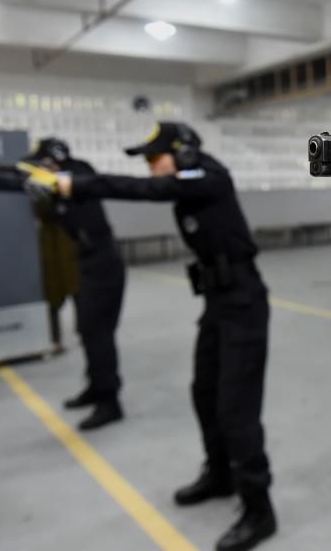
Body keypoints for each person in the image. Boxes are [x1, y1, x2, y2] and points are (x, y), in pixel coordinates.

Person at [24, 122, 276, 551]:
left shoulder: (208, 176)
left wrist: (75, 184)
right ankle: (220, 475)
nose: (149, 167)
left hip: (244, 304)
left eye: (153, 158)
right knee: (204, 392)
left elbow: (142, 190)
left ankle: (259, 509)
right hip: (218, 302)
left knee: (236, 409)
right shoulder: (188, 183)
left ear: (183, 153)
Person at [0, 138, 126, 430]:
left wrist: (40, 173)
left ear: (56, 160)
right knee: (88, 331)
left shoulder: (81, 173)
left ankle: (109, 402)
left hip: (103, 262)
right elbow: (20, 186)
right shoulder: (54, 183)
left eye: (44, 162)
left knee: (99, 334)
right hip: (87, 261)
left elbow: (74, 178)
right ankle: (96, 388)